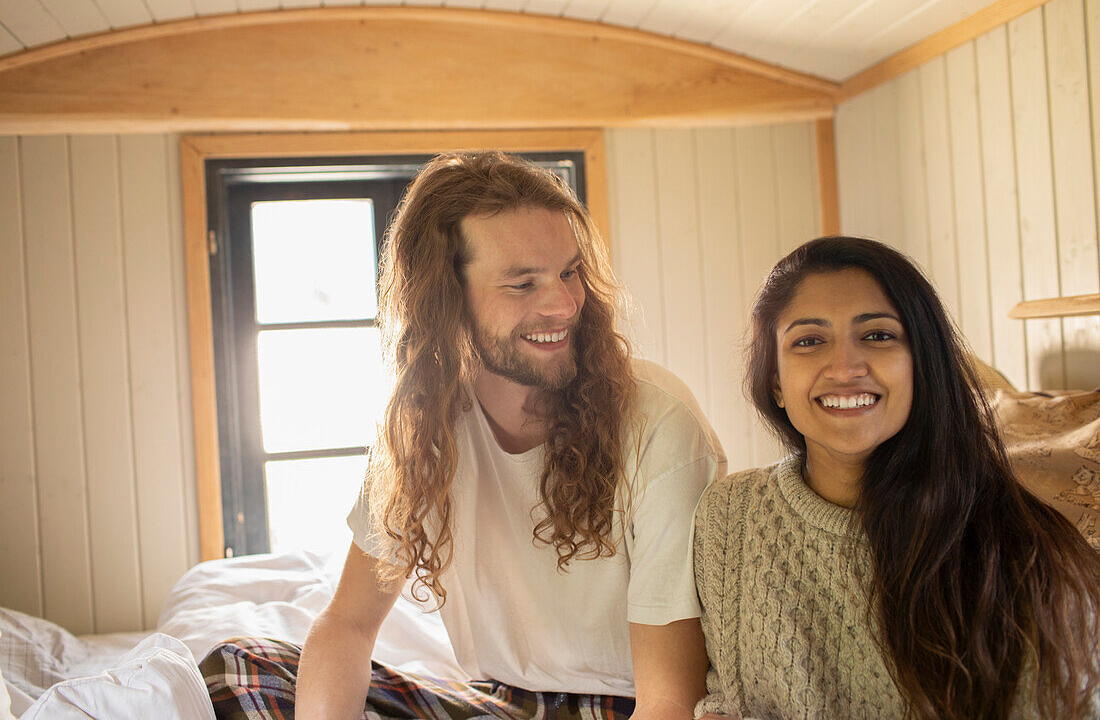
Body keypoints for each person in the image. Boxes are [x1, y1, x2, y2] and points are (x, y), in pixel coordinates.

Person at [201, 151, 725, 719]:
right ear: (447, 300)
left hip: (629, 706)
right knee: (241, 668)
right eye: (523, 284)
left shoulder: (659, 422)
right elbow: (348, 626)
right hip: (504, 703)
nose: (564, 303)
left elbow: (672, 702)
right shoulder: (422, 427)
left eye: (569, 272)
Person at [693, 237, 1100, 720]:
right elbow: (726, 698)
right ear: (776, 382)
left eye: (878, 335)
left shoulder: (1022, 552)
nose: (845, 368)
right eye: (808, 341)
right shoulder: (728, 516)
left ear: (921, 365)